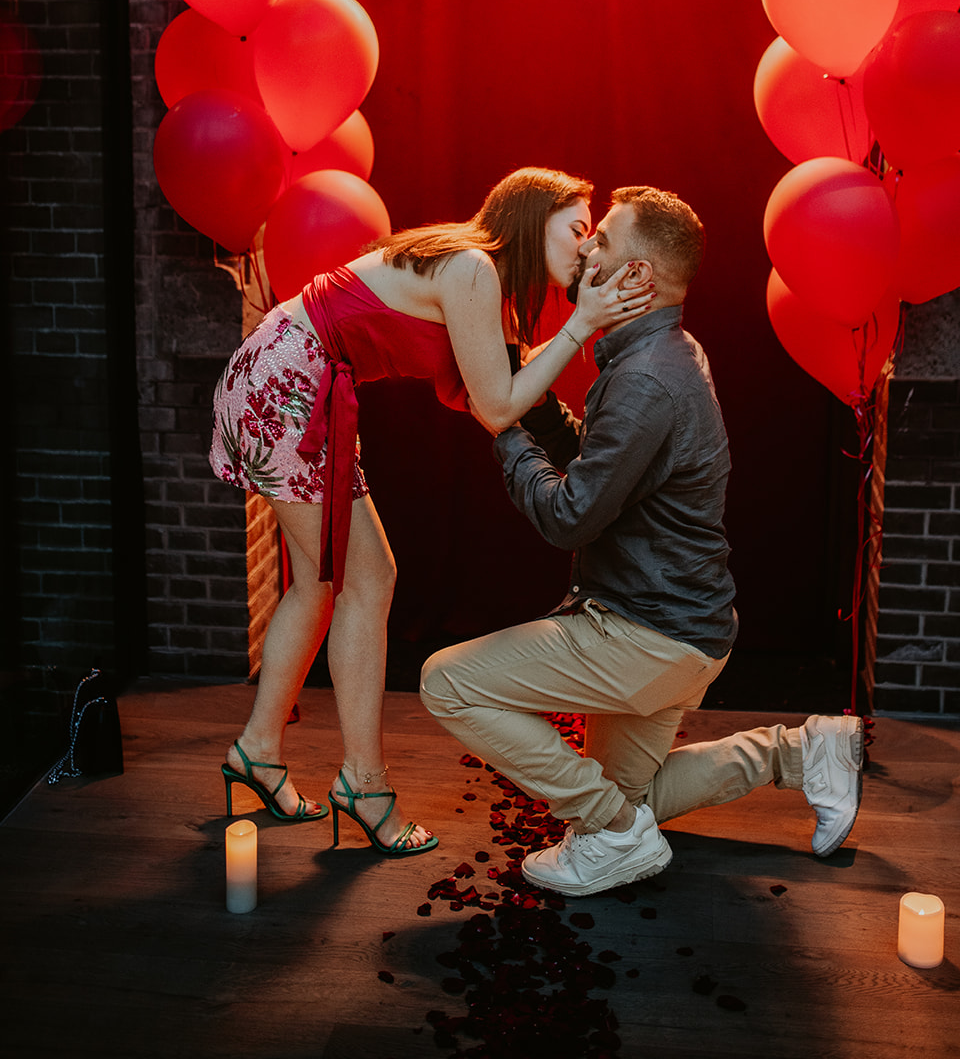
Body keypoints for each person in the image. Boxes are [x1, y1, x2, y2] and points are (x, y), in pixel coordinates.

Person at [420, 185, 863, 895]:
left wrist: (502, 429)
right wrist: (532, 404)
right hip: (684, 627)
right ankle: (801, 753)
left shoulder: (648, 380)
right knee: (630, 796)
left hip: (646, 634)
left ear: (636, 278)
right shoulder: (657, 352)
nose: (585, 246)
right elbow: (604, 461)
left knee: (447, 681)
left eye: (601, 242)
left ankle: (615, 838)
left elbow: (569, 515)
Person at [210, 167, 652, 857]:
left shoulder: (486, 288)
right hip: (288, 379)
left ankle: (258, 753)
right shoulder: (473, 269)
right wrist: (583, 324)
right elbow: (500, 405)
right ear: (531, 221)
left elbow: (501, 401)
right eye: (575, 228)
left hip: (292, 375)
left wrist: (595, 461)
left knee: (323, 583)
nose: (586, 244)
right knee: (367, 580)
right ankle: (362, 784)